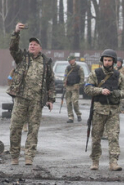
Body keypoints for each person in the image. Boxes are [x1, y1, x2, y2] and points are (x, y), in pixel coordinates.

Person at [7, 22, 55, 166]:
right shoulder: (22, 57)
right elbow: (12, 48)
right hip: (21, 99)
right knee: (15, 128)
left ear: (40, 47)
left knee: (33, 130)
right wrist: (16, 33)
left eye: (35, 44)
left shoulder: (45, 62)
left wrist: (50, 99)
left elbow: (50, 81)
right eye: (30, 44)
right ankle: (15, 156)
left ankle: (29, 156)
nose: (32, 46)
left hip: (36, 101)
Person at [84, 49, 124, 171]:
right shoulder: (95, 73)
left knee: (113, 136)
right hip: (98, 110)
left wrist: (116, 93)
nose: (107, 62)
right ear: (102, 61)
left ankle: (113, 162)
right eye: (105, 60)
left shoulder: (119, 76)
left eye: (109, 60)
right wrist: (100, 91)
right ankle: (95, 161)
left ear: (113, 61)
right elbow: (87, 89)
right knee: (96, 137)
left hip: (113, 111)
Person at [64, 55, 84, 123]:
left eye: (70, 60)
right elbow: (65, 76)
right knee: (68, 102)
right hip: (68, 86)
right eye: (68, 60)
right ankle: (70, 117)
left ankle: (78, 114)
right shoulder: (68, 68)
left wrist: (79, 85)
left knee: (75, 101)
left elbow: (82, 78)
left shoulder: (79, 68)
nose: (69, 62)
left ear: (74, 60)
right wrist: (64, 82)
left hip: (75, 87)